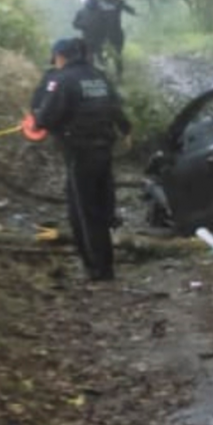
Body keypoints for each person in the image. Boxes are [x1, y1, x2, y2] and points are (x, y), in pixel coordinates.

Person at [32, 37, 131, 282]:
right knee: (101, 206)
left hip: (80, 152)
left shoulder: (62, 80)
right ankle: (103, 263)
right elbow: (116, 109)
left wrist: (35, 120)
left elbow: (45, 118)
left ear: (60, 56)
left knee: (83, 211)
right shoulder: (98, 76)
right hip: (104, 150)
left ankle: (98, 269)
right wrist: (126, 130)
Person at [98, 0, 136, 81]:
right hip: (102, 33)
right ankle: (103, 75)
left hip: (116, 32)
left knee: (117, 55)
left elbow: (129, 9)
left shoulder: (118, 1)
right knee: (102, 56)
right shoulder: (99, 1)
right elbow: (91, 10)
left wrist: (134, 11)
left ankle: (119, 76)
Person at [72, 0, 105, 67]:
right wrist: (84, 25)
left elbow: (106, 24)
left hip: (99, 39)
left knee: (101, 58)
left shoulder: (101, 11)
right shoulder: (81, 12)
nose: (91, 1)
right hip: (88, 38)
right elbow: (75, 24)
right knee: (89, 58)